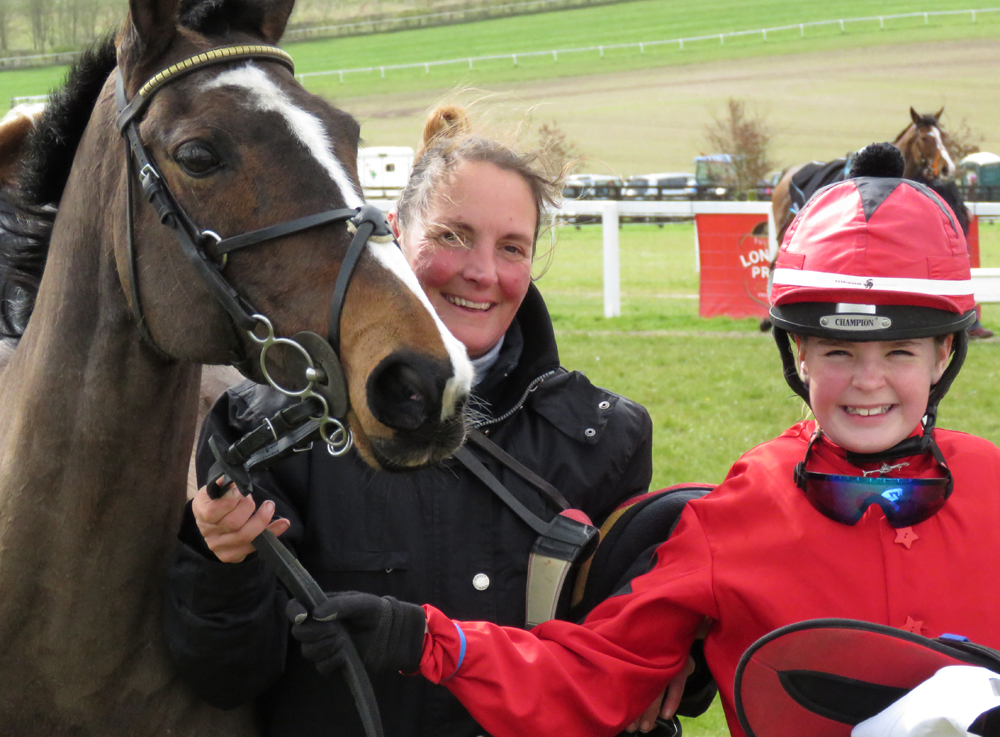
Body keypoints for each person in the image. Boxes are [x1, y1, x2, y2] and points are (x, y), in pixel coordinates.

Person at [287, 143, 1000, 737]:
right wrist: (428, 638)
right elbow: (596, 676)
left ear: (944, 356)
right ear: (799, 356)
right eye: (838, 351)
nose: (867, 382)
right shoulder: (739, 512)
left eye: (900, 353)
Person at [164, 104, 662, 736]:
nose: (482, 272)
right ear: (396, 231)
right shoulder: (265, 432)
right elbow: (227, 677)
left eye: (512, 247)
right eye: (453, 235)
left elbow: (617, 669)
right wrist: (218, 564)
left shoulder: (606, 438)